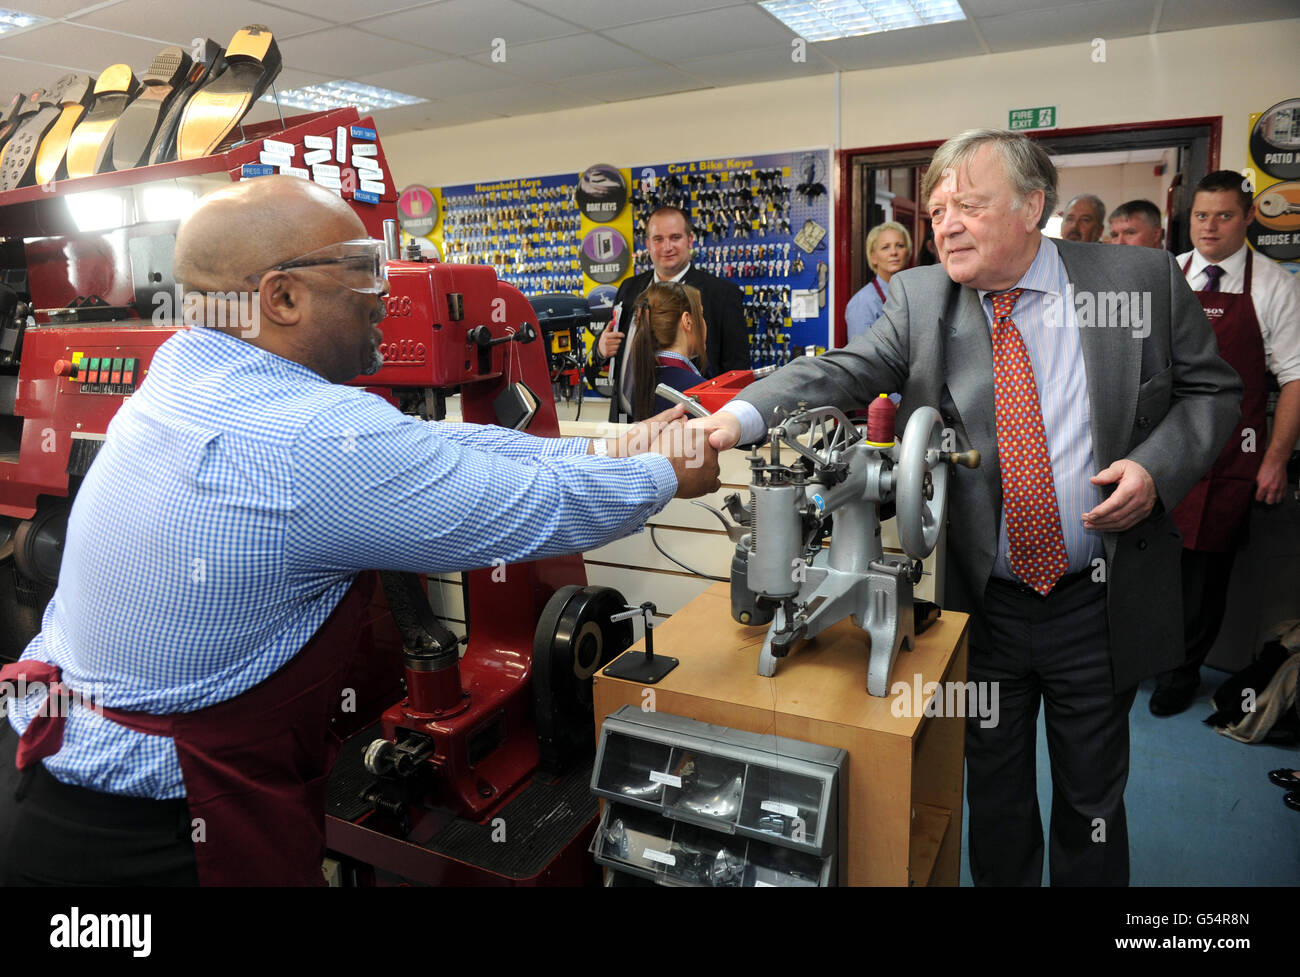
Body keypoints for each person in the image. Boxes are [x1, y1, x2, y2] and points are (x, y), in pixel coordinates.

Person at [0, 175, 720, 886]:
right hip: (156, 846)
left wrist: (618, 448)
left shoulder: (185, 373)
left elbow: (451, 449)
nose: (386, 293)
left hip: (46, 790)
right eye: (363, 268)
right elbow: (534, 506)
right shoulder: (306, 436)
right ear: (282, 296)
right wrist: (666, 474)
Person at [690, 128, 1241, 886]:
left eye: (968, 205)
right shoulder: (922, 297)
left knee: (1093, 798)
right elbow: (843, 370)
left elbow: (1213, 391)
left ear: (1031, 206)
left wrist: (1156, 469)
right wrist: (736, 419)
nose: (944, 223)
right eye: (936, 207)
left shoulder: (1137, 280)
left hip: (1098, 600)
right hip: (983, 607)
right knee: (996, 791)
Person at [1149, 170, 1300, 716]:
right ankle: (1147, 657)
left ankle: (1181, 672)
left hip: (1231, 452)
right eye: (1201, 216)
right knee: (1154, 559)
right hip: (1165, 445)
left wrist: (1275, 461)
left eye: (1224, 215)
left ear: (1248, 217)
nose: (1209, 227)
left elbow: (1295, 378)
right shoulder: (1170, 274)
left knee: (1203, 571)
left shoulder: (1275, 286)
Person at [595, 206, 746, 422]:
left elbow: (736, 371)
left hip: (691, 426)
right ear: (647, 244)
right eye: (658, 239)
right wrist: (601, 350)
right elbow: (611, 354)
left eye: (675, 237)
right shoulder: (629, 289)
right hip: (624, 423)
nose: (667, 247)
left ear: (690, 240)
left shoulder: (721, 295)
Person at [626, 281, 709, 421]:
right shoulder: (695, 390)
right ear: (687, 321)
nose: (704, 322)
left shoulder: (642, 383)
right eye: (701, 314)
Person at [845, 220, 912, 342]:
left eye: (900, 246)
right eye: (885, 247)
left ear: (907, 253)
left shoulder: (915, 293)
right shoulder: (863, 303)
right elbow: (862, 355)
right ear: (873, 256)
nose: (894, 252)